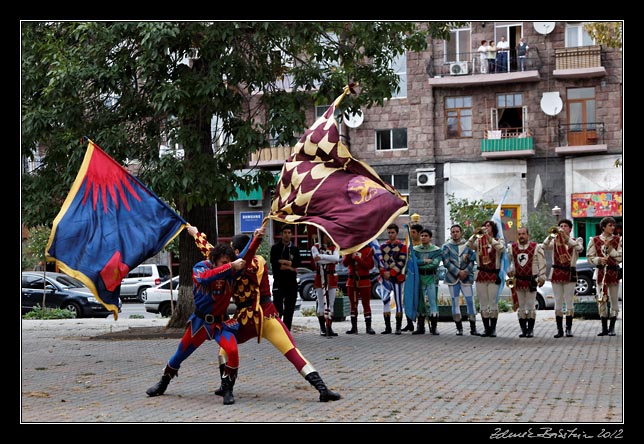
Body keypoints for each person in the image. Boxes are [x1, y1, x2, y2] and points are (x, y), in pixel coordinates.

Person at [213, 227, 341, 402]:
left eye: (231, 248)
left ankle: (226, 387)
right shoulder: (234, 267)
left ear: (237, 250)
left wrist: (255, 241)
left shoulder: (254, 262)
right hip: (263, 317)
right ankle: (322, 389)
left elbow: (247, 264)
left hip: (255, 317)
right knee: (292, 352)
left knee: (225, 350)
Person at [146, 229, 246, 405]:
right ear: (214, 261)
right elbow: (206, 278)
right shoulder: (201, 268)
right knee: (179, 355)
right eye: (224, 262)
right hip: (200, 323)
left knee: (232, 351)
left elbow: (246, 255)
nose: (228, 264)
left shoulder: (231, 270)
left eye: (229, 261)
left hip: (221, 322)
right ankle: (163, 382)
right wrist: (231, 266)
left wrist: (257, 237)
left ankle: (228, 389)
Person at [542, 219, 584, 338]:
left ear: (570, 229)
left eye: (565, 226)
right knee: (558, 300)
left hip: (570, 273)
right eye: (561, 226)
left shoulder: (576, 240)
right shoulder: (555, 242)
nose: (563, 228)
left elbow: (579, 248)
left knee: (569, 300)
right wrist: (551, 235)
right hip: (557, 272)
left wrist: (566, 237)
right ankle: (559, 329)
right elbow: (544, 246)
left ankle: (569, 329)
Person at [466, 220, 506, 337]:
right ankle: (486, 328)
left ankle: (493, 328)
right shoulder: (478, 242)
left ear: (493, 228)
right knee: (483, 302)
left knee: (493, 302)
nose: (486, 228)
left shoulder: (498, 240)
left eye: (488, 226)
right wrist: (475, 234)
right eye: (484, 226)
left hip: (494, 274)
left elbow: (501, 249)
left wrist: (489, 238)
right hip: (481, 274)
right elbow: (468, 245)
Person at [507, 227, 547, 338]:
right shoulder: (512, 248)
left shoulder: (536, 247)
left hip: (531, 280)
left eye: (523, 234)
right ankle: (523, 330)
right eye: (519, 234)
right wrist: (509, 271)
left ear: (528, 235)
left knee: (531, 306)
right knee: (521, 307)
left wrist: (542, 276)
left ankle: (530, 330)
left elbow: (542, 263)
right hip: (518, 280)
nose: (521, 236)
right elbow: (508, 262)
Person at [587, 216, 623, 337]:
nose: (613, 227)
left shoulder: (618, 240)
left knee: (613, 299)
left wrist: (610, 248)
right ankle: (604, 327)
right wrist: (598, 260)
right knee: (602, 299)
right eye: (610, 225)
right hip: (600, 273)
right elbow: (589, 257)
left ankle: (612, 327)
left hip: (613, 272)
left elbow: (620, 257)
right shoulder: (595, 240)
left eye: (614, 225)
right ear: (603, 227)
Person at [442, 224, 479, 336]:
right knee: (455, 302)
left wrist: (466, 271)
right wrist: (458, 272)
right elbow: (446, 262)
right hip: (453, 278)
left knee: (470, 302)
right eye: (453, 232)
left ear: (461, 232)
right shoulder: (446, 247)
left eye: (457, 231)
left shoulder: (468, 245)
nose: (455, 233)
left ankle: (473, 328)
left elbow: (472, 260)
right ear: (450, 233)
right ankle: (459, 328)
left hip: (466, 278)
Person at [380, 223, 412, 334]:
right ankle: (387, 327)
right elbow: (380, 261)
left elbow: (402, 261)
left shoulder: (402, 246)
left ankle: (398, 327)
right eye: (389, 232)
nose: (390, 234)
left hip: (397, 278)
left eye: (392, 232)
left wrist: (391, 273)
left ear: (397, 233)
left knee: (398, 301)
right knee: (385, 301)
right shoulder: (383, 246)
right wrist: (384, 272)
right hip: (385, 278)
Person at [270, 224, 301, 331]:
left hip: (291, 283)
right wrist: (289, 266)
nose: (287, 235)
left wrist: (284, 262)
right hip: (279, 282)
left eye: (289, 233)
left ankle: (287, 330)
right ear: (281, 234)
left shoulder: (295, 249)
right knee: (278, 308)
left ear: (291, 234)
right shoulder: (275, 248)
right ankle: (277, 330)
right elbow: (275, 264)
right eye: (285, 233)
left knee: (290, 308)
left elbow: (297, 264)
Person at [311, 231, 341, 337]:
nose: (328, 238)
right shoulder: (315, 247)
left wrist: (322, 256)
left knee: (331, 303)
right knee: (321, 303)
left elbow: (336, 259)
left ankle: (329, 327)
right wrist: (329, 259)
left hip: (331, 277)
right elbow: (316, 260)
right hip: (320, 277)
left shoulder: (334, 247)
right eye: (326, 236)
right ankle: (322, 328)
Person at [412, 228, 442, 335]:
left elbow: (435, 264)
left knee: (433, 302)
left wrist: (420, 266)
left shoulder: (436, 250)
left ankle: (434, 327)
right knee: (420, 303)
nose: (423, 237)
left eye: (425, 236)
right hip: (419, 279)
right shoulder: (415, 250)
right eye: (422, 236)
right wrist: (424, 261)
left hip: (431, 278)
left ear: (430, 237)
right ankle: (420, 327)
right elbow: (413, 262)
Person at [343, 243, 376, 334]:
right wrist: (349, 254)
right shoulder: (350, 249)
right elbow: (345, 263)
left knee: (366, 303)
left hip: (364, 281)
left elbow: (369, 266)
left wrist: (358, 259)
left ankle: (368, 327)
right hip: (352, 281)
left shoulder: (368, 250)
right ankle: (354, 327)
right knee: (353, 304)